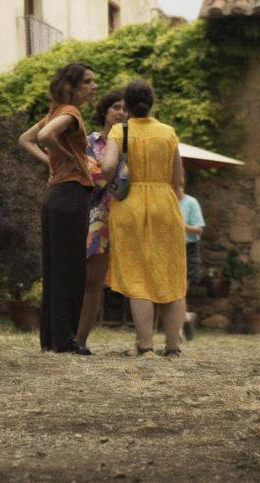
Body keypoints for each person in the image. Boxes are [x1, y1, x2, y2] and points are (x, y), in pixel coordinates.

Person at [100, 79, 186, 357]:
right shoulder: (168, 133)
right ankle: (172, 347)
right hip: (165, 204)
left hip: (130, 205)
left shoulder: (119, 131)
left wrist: (111, 179)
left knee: (138, 275)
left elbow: (108, 165)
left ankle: (146, 345)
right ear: (152, 103)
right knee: (171, 273)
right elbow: (178, 178)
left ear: (126, 105)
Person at [19, 63, 98, 354]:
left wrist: (52, 162)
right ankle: (65, 341)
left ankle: (51, 339)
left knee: (54, 268)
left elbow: (24, 139)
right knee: (71, 269)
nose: (94, 86)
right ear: (72, 87)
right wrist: (69, 159)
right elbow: (43, 138)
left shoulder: (55, 112)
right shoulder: (70, 112)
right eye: (88, 81)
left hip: (55, 194)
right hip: (71, 194)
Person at [74, 90, 125, 348]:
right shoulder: (89, 142)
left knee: (93, 283)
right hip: (81, 214)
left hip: (111, 220)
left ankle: (80, 340)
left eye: (125, 109)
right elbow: (87, 175)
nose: (121, 112)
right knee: (73, 279)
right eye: (116, 107)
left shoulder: (131, 146)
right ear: (105, 111)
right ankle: (64, 333)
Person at [177, 184, 205, 340]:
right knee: (173, 291)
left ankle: (178, 330)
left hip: (189, 249)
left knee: (181, 291)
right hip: (170, 248)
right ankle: (186, 317)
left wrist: (182, 225)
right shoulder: (166, 201)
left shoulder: (191, 202)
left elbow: (199, 229)